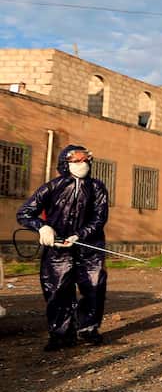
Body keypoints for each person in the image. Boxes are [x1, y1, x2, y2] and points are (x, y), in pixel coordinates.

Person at [16, 144, 110, 350]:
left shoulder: (97, 187)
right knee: (57, 290)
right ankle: (60, 334)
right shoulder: (52, 187)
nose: (82, 164)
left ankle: (88, 329)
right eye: (76, 160)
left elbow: (99, 217)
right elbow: (25, 213)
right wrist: (43, 227)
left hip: (89, 248)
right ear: (65, 163)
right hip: (58, 249)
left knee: (94, 288)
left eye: (85, 159)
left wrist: (80, 235)